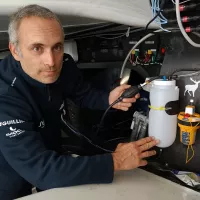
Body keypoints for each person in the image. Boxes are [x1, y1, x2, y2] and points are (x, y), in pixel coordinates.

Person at [0, 4, 159, 199]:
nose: (51, 61)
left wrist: (108, 99)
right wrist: (115, 161)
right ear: (15, 51)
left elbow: (82, 93)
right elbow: (41, 169)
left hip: (50, 156)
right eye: (37, 48)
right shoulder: (5, 95)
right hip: (9, 174)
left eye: (57, 47)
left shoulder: (63, 65)